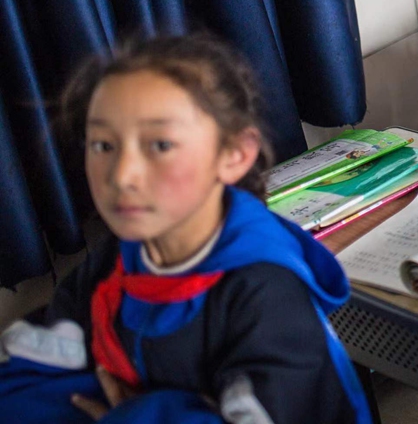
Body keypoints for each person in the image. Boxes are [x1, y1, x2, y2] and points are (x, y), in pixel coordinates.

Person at [0, 35, 370, 423]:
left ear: (234, 155)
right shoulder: (119, 260)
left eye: (159, 144)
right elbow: (34, 365)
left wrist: (137, 414)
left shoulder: (262, 293)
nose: (122, 174)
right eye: (103, 145)